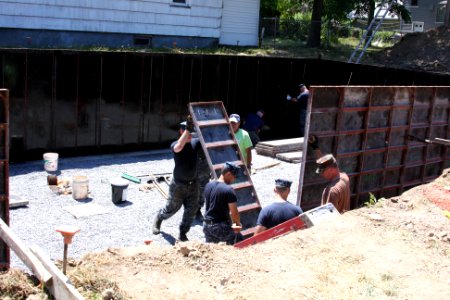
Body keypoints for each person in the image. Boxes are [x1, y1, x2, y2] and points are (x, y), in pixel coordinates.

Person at [152, 119, 200, 242]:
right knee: (171, 208)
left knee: (191, 211)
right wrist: (188, 131)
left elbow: (208, 142)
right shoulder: (175, 144)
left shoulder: (195, 143)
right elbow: (178, 147)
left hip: (193, 185)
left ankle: (183, 233)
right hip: (178, 185)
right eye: (185, 131)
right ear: (181, 131)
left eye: (190, 131)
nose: (189, 134)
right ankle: (159, 217)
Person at [203, 162, 243, 245]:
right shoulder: (228, 190)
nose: (234, 179)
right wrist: (237, 225)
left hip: (206, 225)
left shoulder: (208, 185)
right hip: (219, 226)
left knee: (213, 250)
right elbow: (234, 212)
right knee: (238, 239)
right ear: (228, 174)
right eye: (234, 176)